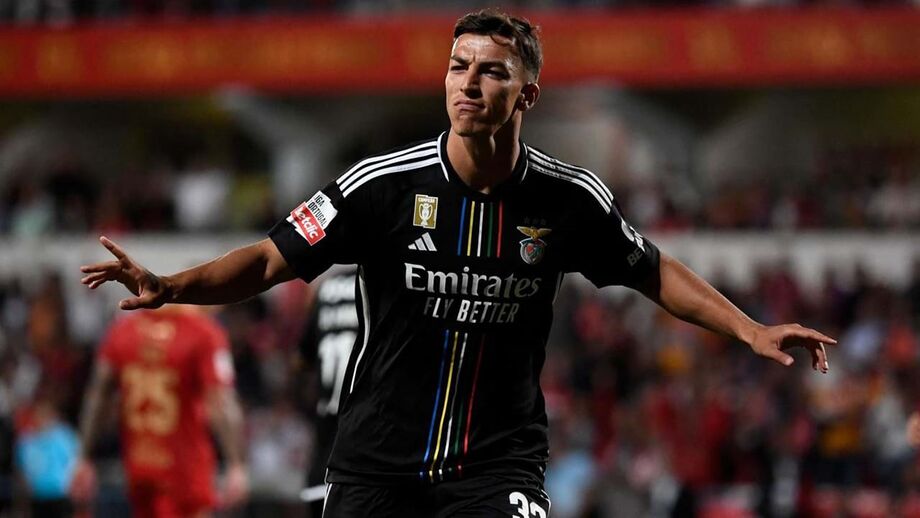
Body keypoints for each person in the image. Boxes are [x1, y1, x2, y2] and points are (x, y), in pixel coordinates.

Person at [79, 9, 835, 517]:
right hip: (375, 465)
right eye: (457, 66)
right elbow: (269, 259)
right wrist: (171, 285)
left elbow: (654, 270)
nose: (468, 83)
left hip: (496, 467)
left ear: (527, 94)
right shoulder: (379, 185)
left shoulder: (569, 199)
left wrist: (749, 329)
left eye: (490, 71)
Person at [70, 305, 248, 518]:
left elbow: (98, 396)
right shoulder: (204, 333)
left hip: (139, 468)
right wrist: (236, 464)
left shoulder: (123, 331)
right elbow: (221, 401)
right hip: (186, 475)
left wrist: (84, 456)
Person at [296, 266, 359, 515]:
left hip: (325, 455)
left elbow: (302, 361)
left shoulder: (326, 287)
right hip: (371, 449)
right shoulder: (389, 278)